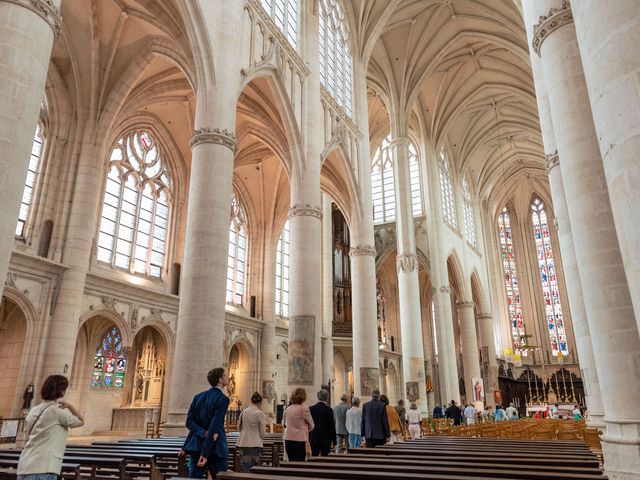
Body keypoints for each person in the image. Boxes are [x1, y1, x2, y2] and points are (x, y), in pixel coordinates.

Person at [17, 375, 84, 480]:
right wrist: (70, 407)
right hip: (44, 468)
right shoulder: (56, 411)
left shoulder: (33, 410)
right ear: (62, 392)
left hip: (24, 466)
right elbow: (80, 421)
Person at [184, 367, 230, 479]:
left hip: (197, 446)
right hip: (216, 448)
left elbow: (189, 422)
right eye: (226, 376)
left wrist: (203, 433)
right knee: (220, 478)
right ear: (220, 380)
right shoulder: (222, 399)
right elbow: (214, 427)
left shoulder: (198, 397)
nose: (228, 377)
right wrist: (204, 454)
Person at [237, 392, 266, 472]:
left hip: (243, 443)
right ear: (260, 402)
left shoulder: (243, 412)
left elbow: (239, 428)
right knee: (254, 469)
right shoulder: (260, 413)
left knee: (245, 468)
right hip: (255, 444)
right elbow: (263, 433)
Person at [283, 388, 314, 461]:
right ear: (303, 397)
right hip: (299, 440)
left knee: (291, 462)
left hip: (288, 439)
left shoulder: (288, 408)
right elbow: (312, 425)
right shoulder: (304, 408)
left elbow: (285, 424)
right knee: (299, 463)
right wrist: (305, 427)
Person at [309, 390, 335, 456]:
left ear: (318, 397)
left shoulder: (311, 409)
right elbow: (331, 426)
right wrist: (334, 441)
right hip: (326, 439)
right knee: (325, 458)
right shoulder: (329, 410)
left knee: (314, 457)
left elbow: (308, 424)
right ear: (326, 398)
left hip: (314, 437)